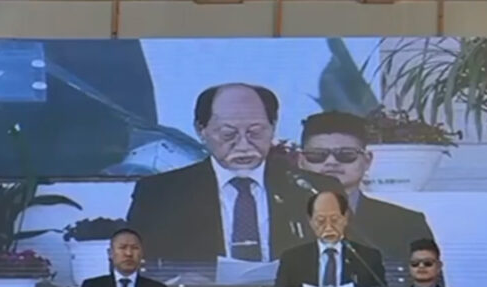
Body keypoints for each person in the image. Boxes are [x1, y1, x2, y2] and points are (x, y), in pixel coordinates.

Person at [126, 83, 338, 274]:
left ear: (273, 126)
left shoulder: (314, 190)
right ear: (201, 130)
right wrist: (181, 282)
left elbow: (345, 260)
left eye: (255, 132)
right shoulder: (159, 194)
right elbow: (136, 266)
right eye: (228, 134)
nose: (243, 145)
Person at [296, 112, 436, 268]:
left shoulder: (407, 222)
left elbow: (427, 281)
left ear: (367, 160)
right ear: (301, 161)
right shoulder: (281, 220)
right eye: (317, 155)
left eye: (346, 154)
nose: (331, 162)